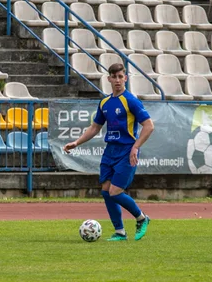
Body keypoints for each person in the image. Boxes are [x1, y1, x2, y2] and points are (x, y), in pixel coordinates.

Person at [63, 63, 155, 242]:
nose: (118, 80)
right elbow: (95, 127)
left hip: (126, 151)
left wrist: (135, 147)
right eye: (114, 77)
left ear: (125, 78)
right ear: (109, 79)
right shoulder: (105, 102)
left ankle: (142, 218)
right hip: (110, 151)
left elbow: (149, 126)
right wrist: (76, 142)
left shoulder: (131, 101)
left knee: (115, 191)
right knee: (106, 191)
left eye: (121, 77)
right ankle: (120, 231)